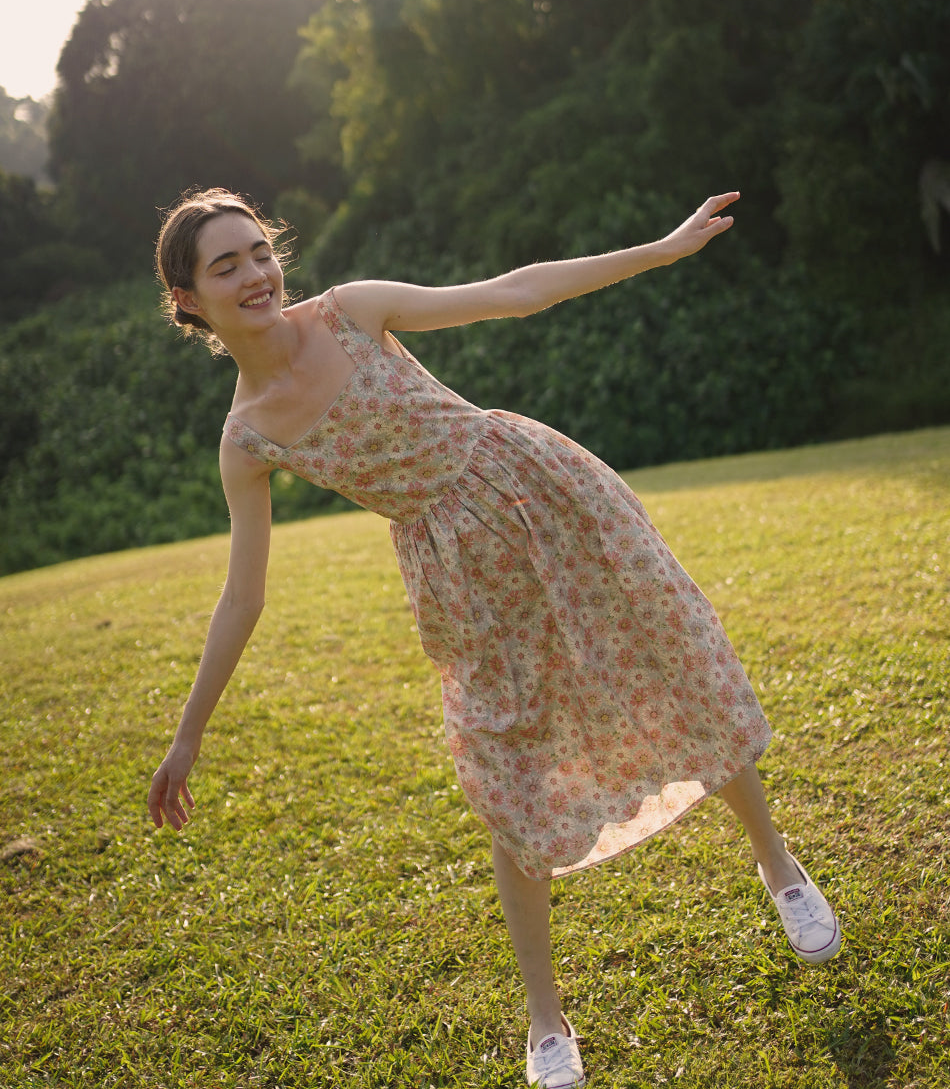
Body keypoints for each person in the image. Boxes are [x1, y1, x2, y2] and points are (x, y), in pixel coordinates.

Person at [148, 187, 839, 1088]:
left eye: (259, 251)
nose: (255, 273)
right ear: (191, 301)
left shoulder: (353, 310)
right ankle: (546, 1021)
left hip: (541, 494)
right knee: (504, 773)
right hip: (458, 576)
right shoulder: (247, 441)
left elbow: (515, 290)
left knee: (671, 666)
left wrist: (660, 251)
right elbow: (243, 596)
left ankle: (779, 868)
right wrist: (191, 730)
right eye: (225, 265)